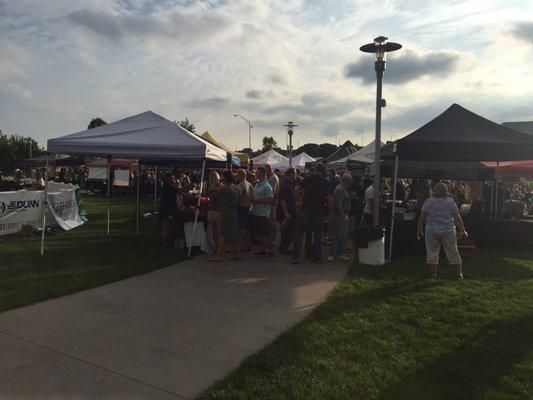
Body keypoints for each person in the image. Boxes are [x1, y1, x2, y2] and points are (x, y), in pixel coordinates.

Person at [417, 182, 468, 281]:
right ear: (446, 191)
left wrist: (419, 230)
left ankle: (433, 276)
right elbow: (457, 218)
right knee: (453, 252)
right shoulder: (450, 201)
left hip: (431, 230)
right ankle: (459, 276)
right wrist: (463, 230)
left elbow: (421, 218)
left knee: (432, 253)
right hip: (448, 230)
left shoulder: (428, 201)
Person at [291, 163, 332, 264]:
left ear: (316, 170)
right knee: (317, 236)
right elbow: (330, 199)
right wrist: (330, 211)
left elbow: (296, 190)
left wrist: (298, 203)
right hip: (319, 211)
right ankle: (316, 259)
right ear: (323, 171)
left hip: (305, 209)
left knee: (300, 234)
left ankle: (295, 258)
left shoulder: (308, 178)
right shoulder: (326, 182)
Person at [210, 171, 241, 262]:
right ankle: (237, 254)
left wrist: (218, 181)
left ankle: (218, 255)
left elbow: (212, 189)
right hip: (234, 210)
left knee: (222, 233)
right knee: (235, 232)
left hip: (226, 210)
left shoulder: (225, 187)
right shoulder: (238, 188)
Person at [250, 167, 274, 258]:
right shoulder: (257, 184)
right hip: (256, 211)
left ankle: (270, 251)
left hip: (263, 213)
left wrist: (257, 200)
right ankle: (263, 249)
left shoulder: (267, 186)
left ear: (263, 174)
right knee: (259, 232)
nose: (256, 174)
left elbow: (270, 199)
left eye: (258, 173)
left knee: (266, 232)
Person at [328, 173, 352, 261]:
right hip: (340, 215)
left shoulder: (344, 189)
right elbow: (338, 203)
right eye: (350, 181)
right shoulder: (340, 189)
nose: (351, 183)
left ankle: (340, 253)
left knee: (343, 235)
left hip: (344, 214)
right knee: (337, 235)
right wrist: (343, 215)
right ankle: (332, 253)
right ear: (346, 181)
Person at [278, 167, 297, 255]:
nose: (296, 175)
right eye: (295, 173)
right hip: (287, 210)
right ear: (290, 174)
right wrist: (286, 212)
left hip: (292, 209)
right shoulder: (285, 184)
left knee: (291, 230)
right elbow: (283, 200)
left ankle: (285, 247)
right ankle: (283, 248)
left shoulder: (291, 183)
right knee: (286, 230)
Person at [159, 173, 179, 247]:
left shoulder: (167, 186)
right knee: (166, 225)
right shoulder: (167, 186)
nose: (173, 179)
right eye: (171, 178)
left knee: (168, 225)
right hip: (167, 208)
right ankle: (165, 243)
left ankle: (167, 241)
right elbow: (176, 191)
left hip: (167, 207)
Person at [265, 164, 279, 259]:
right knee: (270, 224)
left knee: (271, 225)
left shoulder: (273, 178)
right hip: (271, 204)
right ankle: (270, 243)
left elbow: (272, 193)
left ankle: (271, 245)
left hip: (271, 204)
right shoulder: (272, 177)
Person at [236, 169, 252, 252]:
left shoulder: (240, 186)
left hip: (242, 208)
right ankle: (248, 244)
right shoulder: (249, 184)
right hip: (248, 208)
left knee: (242, 228)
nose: (236, 176)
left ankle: (243, 246)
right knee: (247, 228)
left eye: (237, 175)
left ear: (241, 175)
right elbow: (252, 197)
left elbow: (237, 199)